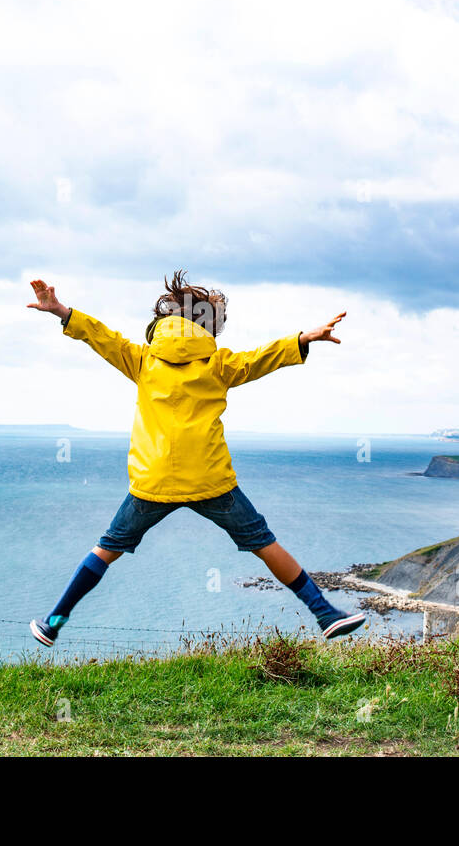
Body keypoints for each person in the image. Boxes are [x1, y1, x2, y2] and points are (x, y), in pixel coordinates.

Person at [26, 270, 366, 646]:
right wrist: (303, 338)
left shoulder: (141, 360)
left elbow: (101, 336)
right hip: (209, 480)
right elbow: (261, 358)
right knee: (264, 543)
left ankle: (53, 622)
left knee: (107, 549)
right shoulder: (217, 363)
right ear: (207, 325)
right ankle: (325, 613)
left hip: (153, 483)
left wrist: (60, 310)